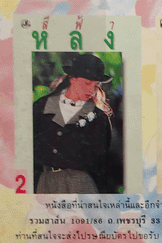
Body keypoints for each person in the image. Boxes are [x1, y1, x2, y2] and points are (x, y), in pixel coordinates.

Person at [33, 53, 114, 193]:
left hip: (81, 185)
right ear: (72, 79)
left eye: (96, 85)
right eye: (87, 83)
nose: (91, 90)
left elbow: (102, 165)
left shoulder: (99, 118)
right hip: (45, 183)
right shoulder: (42, 106)